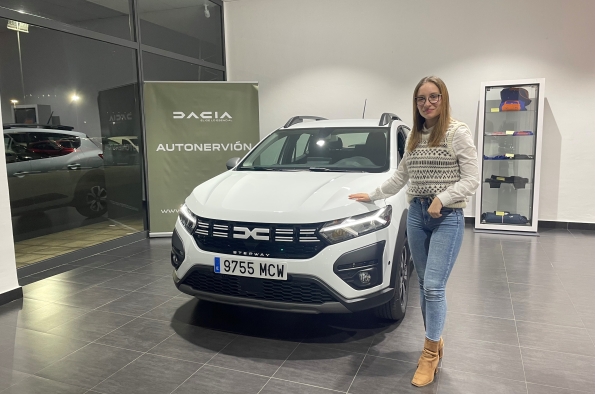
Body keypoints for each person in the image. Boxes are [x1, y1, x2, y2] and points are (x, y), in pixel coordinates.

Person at [348, 76, 479, 387]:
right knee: (423, 288)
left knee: (433, 287)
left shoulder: (457, 132)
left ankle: (429, 355)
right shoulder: (415, 136)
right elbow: (402, 175)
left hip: (447, 217)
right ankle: (434, 340)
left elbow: (473, 177)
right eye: (422, 99)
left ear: (443, 99)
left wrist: (442, 198)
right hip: (417, 216)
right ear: (416, 103)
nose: (427, 103)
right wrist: (373, 194)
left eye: (434, 97)